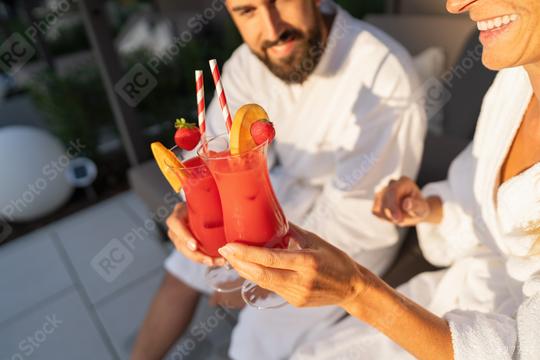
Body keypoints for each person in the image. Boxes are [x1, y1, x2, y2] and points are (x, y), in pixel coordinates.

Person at [217, 0, 540, 359]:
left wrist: (355, 289)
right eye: (246, 10)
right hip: (458, 292)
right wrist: (427, 207)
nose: (456, 4)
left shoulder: (379, 69)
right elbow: (480, 203)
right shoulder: (513, 85)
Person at [131, 0, 426, 359]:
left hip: (358, 225)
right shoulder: (246, 65)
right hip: (284, 190)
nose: (271, 30)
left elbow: (357, 214)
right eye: (247, 11)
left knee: (252, 342)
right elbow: (210, 158)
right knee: (181, 271)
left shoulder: (383, 72)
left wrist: (258, 272)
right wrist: (194, 211)